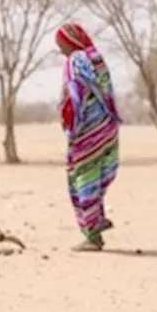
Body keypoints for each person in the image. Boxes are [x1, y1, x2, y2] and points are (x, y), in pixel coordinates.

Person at [55, 22, 122, 251]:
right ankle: (97, 221)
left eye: (61, 44)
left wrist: (70, 120)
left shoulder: (76, 61)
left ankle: (92, 234)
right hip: (107, 126)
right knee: (95, 174)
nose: (60, 50)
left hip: (87, 129)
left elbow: (77, 92)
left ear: (70, 42)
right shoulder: (96, 58)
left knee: (82, 176)